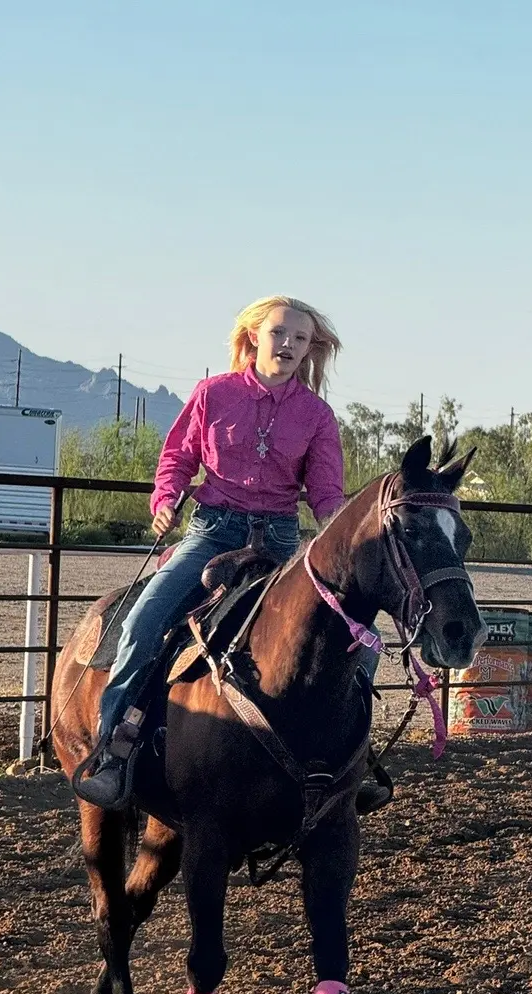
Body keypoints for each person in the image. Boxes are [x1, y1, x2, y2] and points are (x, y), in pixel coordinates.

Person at [72, 295, 388, 811]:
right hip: (213, 534)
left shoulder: (317, 416)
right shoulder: (213, 394)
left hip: (284, 542)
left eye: (299, 339)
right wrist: (166, 499)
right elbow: (178, 455)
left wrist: (339, 528)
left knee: (365, 640)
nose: (287, 345)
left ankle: (349, 760)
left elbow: (327, 492)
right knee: (142, 622)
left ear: (310, 350)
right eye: (279, 333)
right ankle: (113, 750)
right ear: (254, 337)